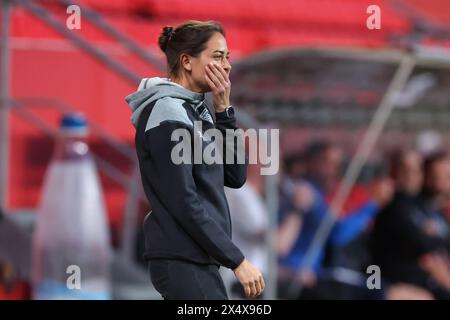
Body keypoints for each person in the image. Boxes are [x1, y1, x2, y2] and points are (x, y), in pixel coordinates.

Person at [125, 20, 264, 299]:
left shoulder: (197, 111)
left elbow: (235, 177)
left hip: (198, 259)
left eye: (228, 58)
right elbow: (183, 200)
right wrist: (236, 260)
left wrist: (224, 111)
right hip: (181, 258)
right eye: (217, 56)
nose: (226, 66)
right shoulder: (167, 111)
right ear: (187, 61)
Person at [372, 150, 450, 299]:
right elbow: (421, 242)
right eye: (405, 169)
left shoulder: (424, 206)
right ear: (394, 172)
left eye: (416, 170)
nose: (411, 175)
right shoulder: (393, 206)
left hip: (429, 281)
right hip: (394, 282)